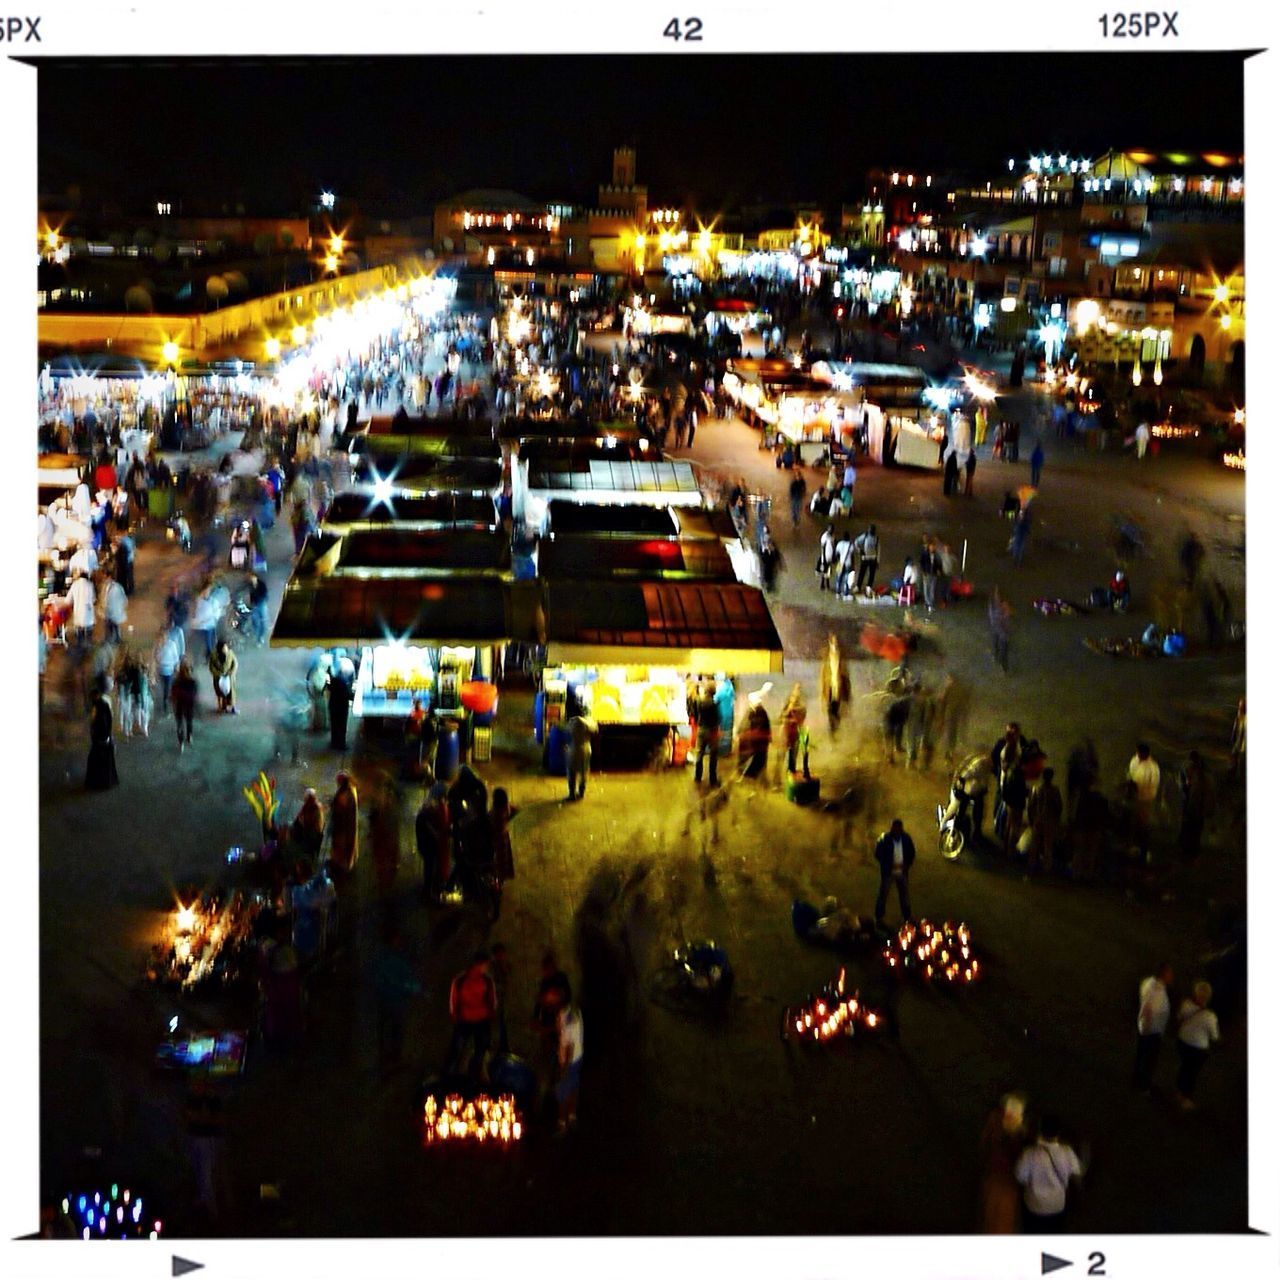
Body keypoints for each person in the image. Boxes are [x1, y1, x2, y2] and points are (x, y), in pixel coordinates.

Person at [1013, 1115, 1084, 1233]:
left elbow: (1020, 1177)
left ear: (1040, 1130)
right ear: (1059, 1132)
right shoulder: (1067, 1152)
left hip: (1034, 1207)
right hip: (1057, 1205)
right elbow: (1077, 1173)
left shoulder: (1029, 1153)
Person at [979, 1092, 1029, 1234]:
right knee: (1003, 1217)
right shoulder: (1014, 1131)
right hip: (1006, 1179)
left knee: (993, 1216)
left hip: (995, 1176)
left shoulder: (994, 1121)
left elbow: (984, 1145)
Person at [375, 928, 422, 1074]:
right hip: (392, 1001)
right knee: (393, 1030)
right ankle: (390, 1059)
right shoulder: (390, 958)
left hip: (391, 1001)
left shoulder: (389, 956)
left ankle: (390, 1058)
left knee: (392, 1030)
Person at [446, 951, 497, 1081]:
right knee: (463, 1050)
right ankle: (459, 1077)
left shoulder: (484, 979)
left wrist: (490, 1014)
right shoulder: (462, 980)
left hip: (474, 1020)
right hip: (470, 1020)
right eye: (486, 964)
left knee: (473, 1051)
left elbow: (492, 1000)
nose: (487, 967)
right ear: (480, 964)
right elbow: (454, 999)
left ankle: (464, 1078)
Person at [1174, 981, 1220, 1110]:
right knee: (1192, 1073)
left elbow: (1179, 1017)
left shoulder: (1186, 1005)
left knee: (1184, 1067)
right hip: (1198, 1049)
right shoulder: (1210, 1016)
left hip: (1182, 1042)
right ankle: (1186, 1098)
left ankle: (1178, 1091)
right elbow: (1214, 1036)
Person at [1134, 962, 1174, 1092]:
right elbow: (1148, 1010)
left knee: (1141, 1055)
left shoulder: (1149, 983)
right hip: (1152, 1030)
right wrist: (1147, 1028)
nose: (1171, 976)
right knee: (1148, 1059)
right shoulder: (1156, 991)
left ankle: (1138, 1079)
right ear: (1163, 975)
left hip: (1147, 1028)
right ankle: (1143, 1084)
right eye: (1169, 974)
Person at [873, 819, 915, 926]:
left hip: (902, 872)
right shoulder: (884, 839)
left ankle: (907, 917)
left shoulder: (906, 839)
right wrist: (888, 865)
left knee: (904, 896)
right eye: (893, 828)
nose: (895, 831)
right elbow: (878, 854)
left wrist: (906, 865)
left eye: (897, 828)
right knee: (883, 895)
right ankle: (879, 917)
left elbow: (911, 853)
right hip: (889, 872)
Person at [415, 782, 451, 901]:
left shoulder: (429, 807)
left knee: (430, 867)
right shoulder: (432, 810)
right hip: (429, 845)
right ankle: (428, 892)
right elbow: (430, 826)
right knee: (430, 867)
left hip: (427, 844)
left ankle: (429, 889)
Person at [1127, 742, 1161, 861]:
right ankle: (1132, 847)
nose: (1139, 756)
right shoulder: (1134, 761)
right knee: (1132, 823)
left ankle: (1143, 849)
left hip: (1145, 800)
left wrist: (1144, 793)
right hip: (1134, 798)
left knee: (1143, 825)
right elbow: (1130, 775)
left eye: (1141, 754)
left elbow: (1154, 785)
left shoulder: (1153, 767)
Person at [556, 999, 585, 1132]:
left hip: (570, 1061)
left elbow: (570, 1047)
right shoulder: (576, 1014)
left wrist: (565, 1069)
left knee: (563, 1092)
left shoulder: (568, 1024)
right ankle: (572, 1117)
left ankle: (562, 1123)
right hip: (578, 1057)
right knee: (574, 1088)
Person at [1026, 768, 1062, 872]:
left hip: (1037, 819)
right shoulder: (1055, 790)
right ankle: (1047, 867)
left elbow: (1030, 805)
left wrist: (1031, 819)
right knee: (1048, 845)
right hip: (1049, 820)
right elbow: (1058, 806)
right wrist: (1056, 820)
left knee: (1035, 843)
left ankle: (1032, 864)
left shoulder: (1036, 788)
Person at [1178, 751, 1209, 861]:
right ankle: (1190, 851)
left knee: (1190, 829)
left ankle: (1189, 851)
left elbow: (1188, 791)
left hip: (1193, 807)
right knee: (1193, 830)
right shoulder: (1200, 775)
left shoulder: (1197, 776)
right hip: (1194, 807)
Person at [85, 691, 119, 790]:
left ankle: (97, 782)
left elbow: (97, 723)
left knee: (96, 759)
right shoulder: (104, 706)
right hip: (105, 738)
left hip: (99, 739)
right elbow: (108, 721)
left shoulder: (97, 708)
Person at [819, 633, 851, 738]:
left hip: (838, 687)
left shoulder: (842, 655)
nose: (835, 643)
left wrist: (848, 695)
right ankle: (832, 734)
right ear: (830, 641)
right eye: (833, 641)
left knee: (837, 712)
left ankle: (835, 732)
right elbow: (822, 677)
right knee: (830, 711)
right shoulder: (826, 655)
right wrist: (822, 695)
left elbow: (846, 676)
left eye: (836, 641)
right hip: (829, 687)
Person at [328, 771, 360, 875]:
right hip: (345, 825)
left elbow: (340, 807)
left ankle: (341, 867)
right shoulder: (350, 790)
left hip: (343, 827)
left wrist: (333, 805)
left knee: (341, 847)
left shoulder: (346, 793)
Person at [564, 703, 598, 801]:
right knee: (584, 772)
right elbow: (595, 730)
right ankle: (581, 792)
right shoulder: (590, 722)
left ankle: (572, 794)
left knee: (572, 771)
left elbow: (567, 731)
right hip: (587, 748)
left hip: (575, 748)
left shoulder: (574, 722)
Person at [692, 684, 722, 786]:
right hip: (712, 731)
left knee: (699, 753)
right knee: (713, 755)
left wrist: (699, 723)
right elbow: (718, 718)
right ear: (713, 692)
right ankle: (712, 780)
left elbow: (696, 715)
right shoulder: (714, 704)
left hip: (701, 729)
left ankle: (697, 776)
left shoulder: (699, 701)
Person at [153, 621, 185, 715]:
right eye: (161, 636)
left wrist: (176, 666)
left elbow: (175, 657)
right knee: (163, 688)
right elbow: (155, 657)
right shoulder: (157, 646)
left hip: (169, 671)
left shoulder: (171, 645)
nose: (163, 638)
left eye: (164, 636)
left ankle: (165, 704)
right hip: (161, 670)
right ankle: (164, 701)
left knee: (167, 688)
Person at [328, 654, 355, 750]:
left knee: (334, 726)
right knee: (341, 727)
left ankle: (334, 743)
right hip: (342, 708)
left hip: (333, 706)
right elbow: (348, 695)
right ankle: (341, 745)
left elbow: (329, 688)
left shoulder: (334, 680)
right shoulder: (344, 683)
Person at [490, 788, 518, 882]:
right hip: (504, 837)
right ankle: (502, 878)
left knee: (498, 860)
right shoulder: (506, 809)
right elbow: (516, 810)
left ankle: (498, 880)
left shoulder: (494, 813)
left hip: (497, 839)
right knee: (504, 859)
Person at [207, 640, 238, 715]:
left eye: (226, 647)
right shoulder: (214, 655)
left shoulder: (230, 653)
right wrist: (218, 674)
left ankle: (233, 707)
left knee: (231, 693)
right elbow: (211, 667)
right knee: (220, 693)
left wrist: (231, 672)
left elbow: (235, 663)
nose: (225, 649)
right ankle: (222, 707)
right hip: (219, 678)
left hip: (229, 678)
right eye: (224, 648)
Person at [172, 659, 197, 750]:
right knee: (188, 722)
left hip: (180, 705)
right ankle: (188, 736)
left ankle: (182, 741)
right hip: (188, 705)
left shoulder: (177, 682)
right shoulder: (192, 682)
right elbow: (194, 695)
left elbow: (174, 694)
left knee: (180, 724)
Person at [68, 571, 95, 647]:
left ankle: (80, 649)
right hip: (88, 613)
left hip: (78, 613)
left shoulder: (74, 585)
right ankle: (89, 649)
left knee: (80, 634)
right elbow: (93, 599)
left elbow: (68, 600)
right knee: (89, 634)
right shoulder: (90, 585)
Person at [988, 586, 1011, 672]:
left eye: (998, 595)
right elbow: (991, 616)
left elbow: (1006, 619)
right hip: (995, 629)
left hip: (1003, 633)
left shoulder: (1004, 606)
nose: (996, 597)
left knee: (1003, 651)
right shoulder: (992, 604)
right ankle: (996, 657)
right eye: (995, 594)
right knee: (996, 645)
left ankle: (1004, 667)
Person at [101, 574, 128, 644]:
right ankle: (115, 639)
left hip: (113, 613)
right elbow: (125, 600)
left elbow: (106, 602)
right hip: (114, 613)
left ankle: (111, 640)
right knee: (113, 627)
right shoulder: (116, 587)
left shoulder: (113, 588)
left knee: (111, 626)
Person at [853, 524, 879, 593]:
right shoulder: (865, 536)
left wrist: (877, 561)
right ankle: (858, 586)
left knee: (871, 574)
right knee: (862, 572)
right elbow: (856, 542)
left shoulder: (876, 538)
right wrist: (859, 550)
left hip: (873, 558)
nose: (871, 531)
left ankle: (869, 587)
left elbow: (878, 550)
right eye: (870, 529)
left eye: (872, 530)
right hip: (865, 558)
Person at [247, 572, 270, 646]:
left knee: (263, 622)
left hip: (261, 604)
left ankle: (260, 637)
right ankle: (257, 636)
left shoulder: (261, 584)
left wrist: (262, 601)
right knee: (255, 621)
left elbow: (265, 594)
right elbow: (251, 595)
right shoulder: (250, 585)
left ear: (255, 577)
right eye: (250, 578)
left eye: (252, 577)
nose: (251, 579)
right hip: (255, 605)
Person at [816, 525, 836, 592]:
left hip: (830, 556)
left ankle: (826, 584)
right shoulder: (824, 537)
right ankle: (823, 584)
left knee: (828, 571)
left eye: (832, 529)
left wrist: (833, 556)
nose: (831, 531)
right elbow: (823, 547)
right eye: (830, 529)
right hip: (825, 557)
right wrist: (823, 558)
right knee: (824, 571)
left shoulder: (832, 536)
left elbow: (833, 545)